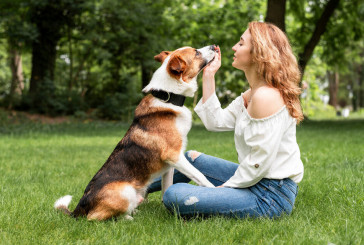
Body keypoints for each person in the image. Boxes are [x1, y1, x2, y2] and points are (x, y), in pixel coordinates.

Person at [147, 21, 304, 219]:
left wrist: (223, 189)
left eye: (241, 43)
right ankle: (135, 187)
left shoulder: (266, 97)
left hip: (270, 196)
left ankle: (140, 190)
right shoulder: (253, 93)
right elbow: (216, 122)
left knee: (174, 195)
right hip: (257, 181)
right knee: (190, 159)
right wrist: (209, 75)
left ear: (258, 53)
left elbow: (259, 162)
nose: (233, 47)